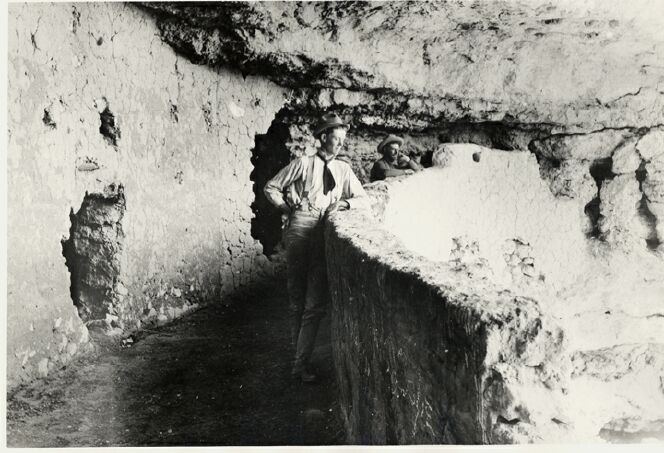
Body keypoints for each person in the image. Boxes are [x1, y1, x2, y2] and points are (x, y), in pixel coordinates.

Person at [264, 112, 368, 383]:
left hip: (324, 229)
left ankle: (300, 364)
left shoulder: (343, 169)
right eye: (336, 138)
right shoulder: (304, 163)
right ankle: (298, 364)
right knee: (297, 299)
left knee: (315, 303)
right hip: (300, 227)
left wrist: (343, 204)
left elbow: (362, 198)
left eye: (343, 139)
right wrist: (287, 208)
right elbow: (271, 187)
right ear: (323, 138)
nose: (341, 144)